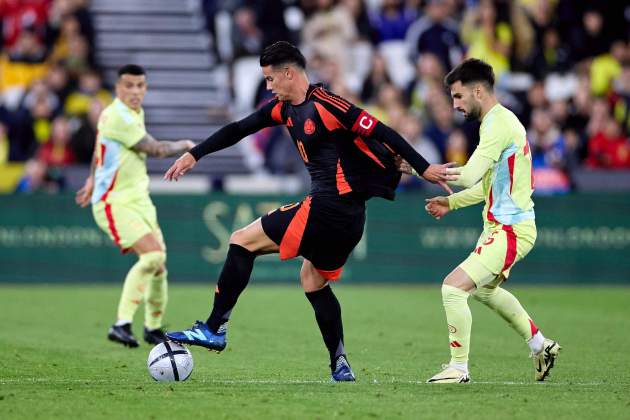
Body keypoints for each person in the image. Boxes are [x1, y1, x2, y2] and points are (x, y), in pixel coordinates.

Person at [163, 41, 456, 381]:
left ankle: (214, 328)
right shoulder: (283, 109)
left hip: (326, 209)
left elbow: (383, 131)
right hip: (350, 222)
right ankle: (340, 363)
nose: (268, 87)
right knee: (312, 280)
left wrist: (425, 167)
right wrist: (195, 154)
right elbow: (239, 129)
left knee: (242, 241)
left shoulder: (328, 105)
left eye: (271, 79)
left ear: (289, 74)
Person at [405, 58, 561, 383]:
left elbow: (471, 174)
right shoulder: (497, 123)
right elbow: (485, 186)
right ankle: (541, 345)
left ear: (478, 91)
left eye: (459, 96)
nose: (455, 105)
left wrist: (422, 169)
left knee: (452, 288)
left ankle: (458, 368)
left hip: (510, 230)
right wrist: (450, 202)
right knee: (486, 291)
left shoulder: (498, 125)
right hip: (503, 228)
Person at [75, 64, 195, 348]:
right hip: (114, 202)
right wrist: (185, 144)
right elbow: (154, 149)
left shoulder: (132, 114)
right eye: (128, 85)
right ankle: (121, 323)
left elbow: (99, 149)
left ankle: (152, 327)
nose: (135, 91)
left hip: (138, 199)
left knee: (160, 266)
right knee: (152, 256)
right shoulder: (117, 115)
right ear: (117, 88)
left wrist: (92, 178)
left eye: (140, 85)